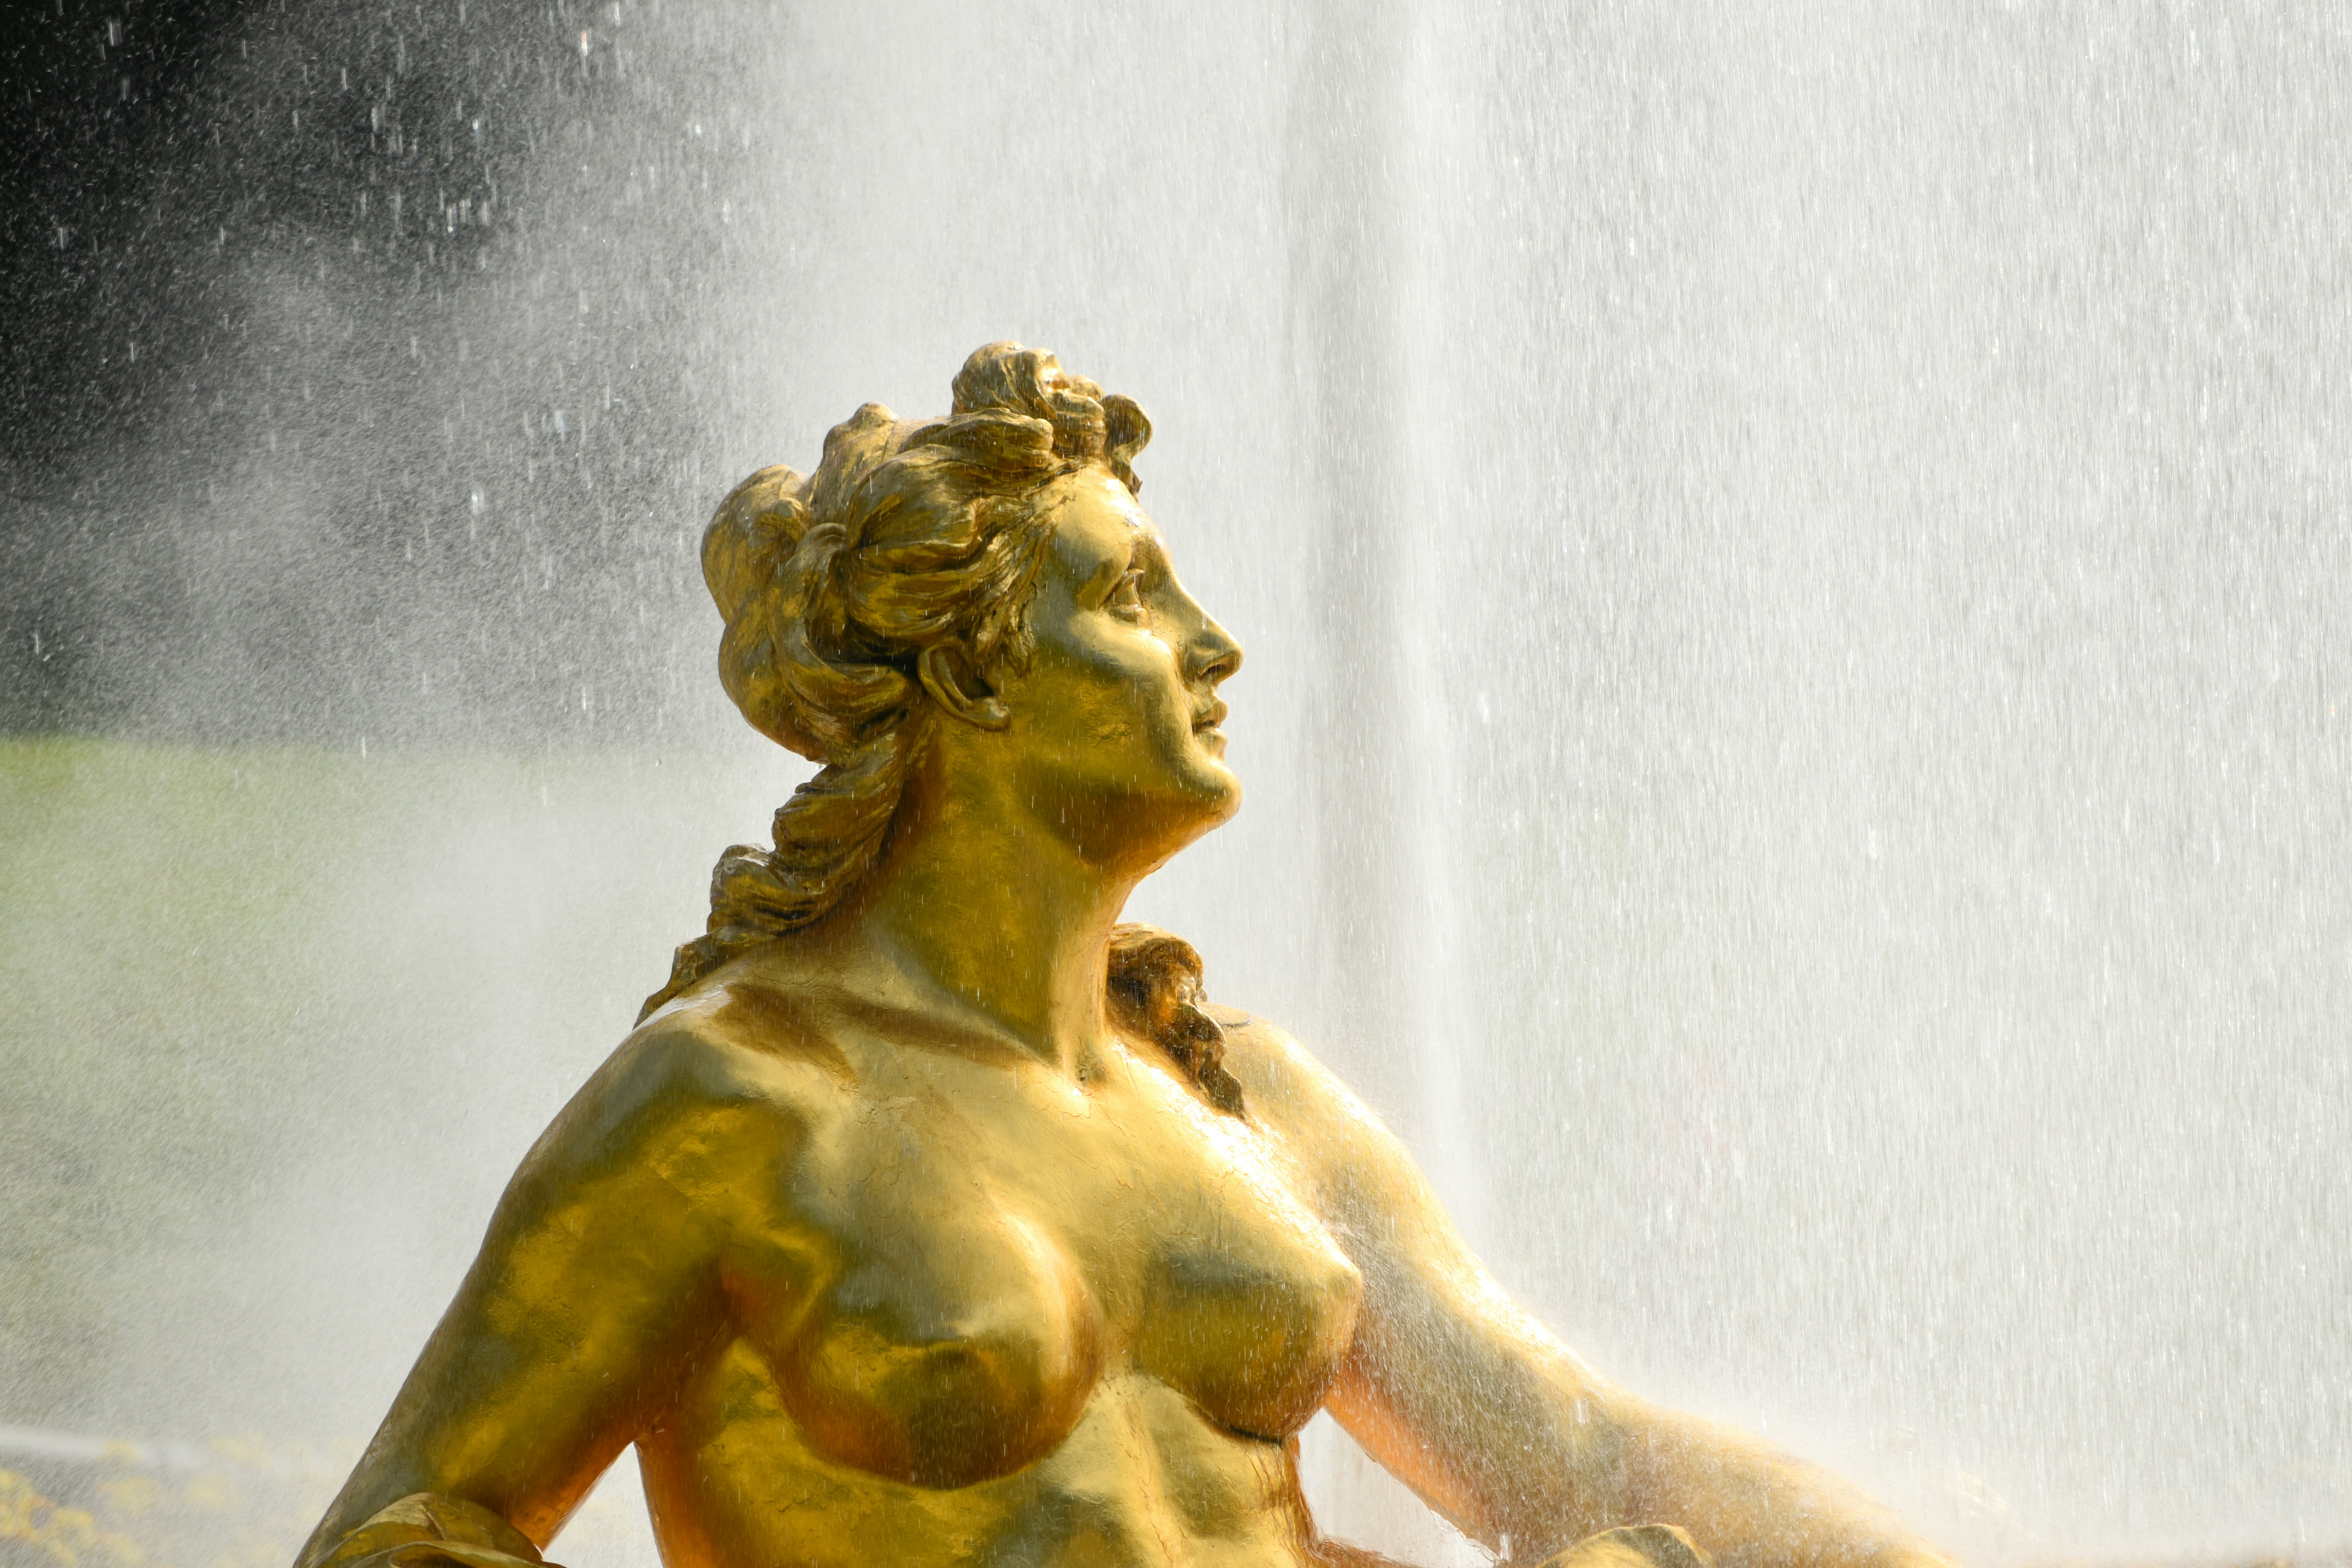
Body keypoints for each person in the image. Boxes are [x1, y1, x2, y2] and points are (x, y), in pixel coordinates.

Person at [296, 343, 1956, 1568]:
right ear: (976, 675)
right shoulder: (733, 1099)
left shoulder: (1247, 1103)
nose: (1214, 644)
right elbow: (407, 1527)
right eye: (1135, 600)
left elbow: (1578, 1458)